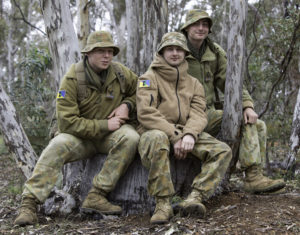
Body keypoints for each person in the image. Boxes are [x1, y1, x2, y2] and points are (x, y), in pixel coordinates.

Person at [14, 31, 140, 226]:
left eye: (109, 51)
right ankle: (29, 204)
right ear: (88, 53)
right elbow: (67, 122)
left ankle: (97, 195)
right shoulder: (72, 79)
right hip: (81, 139)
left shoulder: (121, 73)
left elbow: (142, 88)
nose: (106, 56)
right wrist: (104, 124)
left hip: (110, 136)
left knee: (131, 137)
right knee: (58, 144)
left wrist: (128, 105)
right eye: (100, 51)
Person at [180, 9, 285, 194]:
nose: (201, 28)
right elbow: (153, 76)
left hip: (208, 113)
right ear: (187, 27)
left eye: (205, 25)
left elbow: (231, 80)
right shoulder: (175, 48)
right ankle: (252, 178)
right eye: (196, 24)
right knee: (239, 121)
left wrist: (247, 105)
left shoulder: (213, 51)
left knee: (257, 124)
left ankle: (253, 176)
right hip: (184, 116)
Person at [136, 32, 232, 224]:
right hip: (154, 132)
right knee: (157, 138)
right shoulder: (148, 78)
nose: (174, 53)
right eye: (170, 49)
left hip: (184, 131)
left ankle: (195, 197)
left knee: (222, 151)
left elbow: (199, 113)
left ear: (185, 54)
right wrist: (175, 136)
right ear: (162, 52)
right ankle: (162, 204)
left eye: (179, 50)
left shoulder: (193, 83)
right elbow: (146, 113)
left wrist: (189, 134)